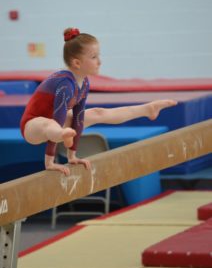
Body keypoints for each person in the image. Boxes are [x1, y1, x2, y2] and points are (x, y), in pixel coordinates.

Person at [20, 27, 177, 176]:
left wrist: (72, 156)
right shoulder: (64, 84)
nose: (99, 61)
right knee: (50, 125)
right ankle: (61, 136)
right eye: (94, 57)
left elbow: (78, 119)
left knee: (97, 113)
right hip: (32, 126)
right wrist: (50, 162)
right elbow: (58, 120)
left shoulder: (84, 84)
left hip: (58, 126)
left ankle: (147, 109)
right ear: (77, 63)